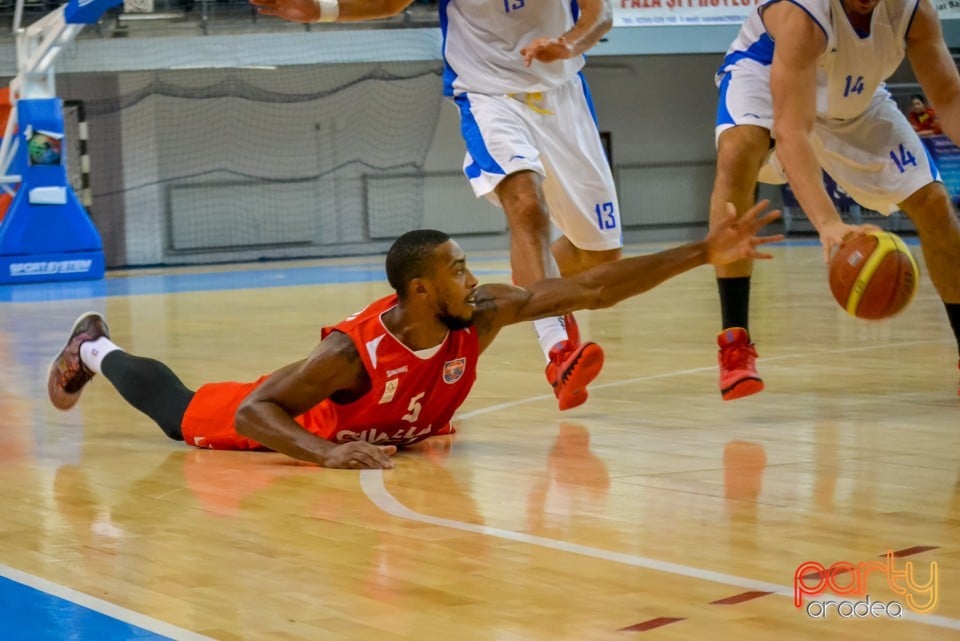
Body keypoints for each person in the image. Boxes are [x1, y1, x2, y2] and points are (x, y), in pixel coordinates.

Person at [47, 203, 780, 470]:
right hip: (290, 417)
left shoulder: (482, 312)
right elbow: (252, 414)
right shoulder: (350, 353)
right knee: (183, 413)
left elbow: (590, 288)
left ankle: (94, 347)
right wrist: (327, 451)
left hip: (377, 421)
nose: (475, 276)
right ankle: (93, 346)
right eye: (459, 269)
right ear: (421, 290)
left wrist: (702, 251)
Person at [249, 0, 620, 412]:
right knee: (526, 204)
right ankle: (559, 351)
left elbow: (599, 14)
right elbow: (390, 2)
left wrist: (568, 44)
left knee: (600, 256)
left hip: (565, 97)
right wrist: (321, 9)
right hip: (490, 96)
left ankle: (523, 285)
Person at [709, 0, 960, 400]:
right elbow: (793, 133)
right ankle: (734, 341)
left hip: (854, 100)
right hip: (766, 78)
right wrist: (827, 222)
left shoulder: (914, 12)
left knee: (933, 203)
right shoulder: (803, 16)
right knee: (738, 153)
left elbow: (949, 98)